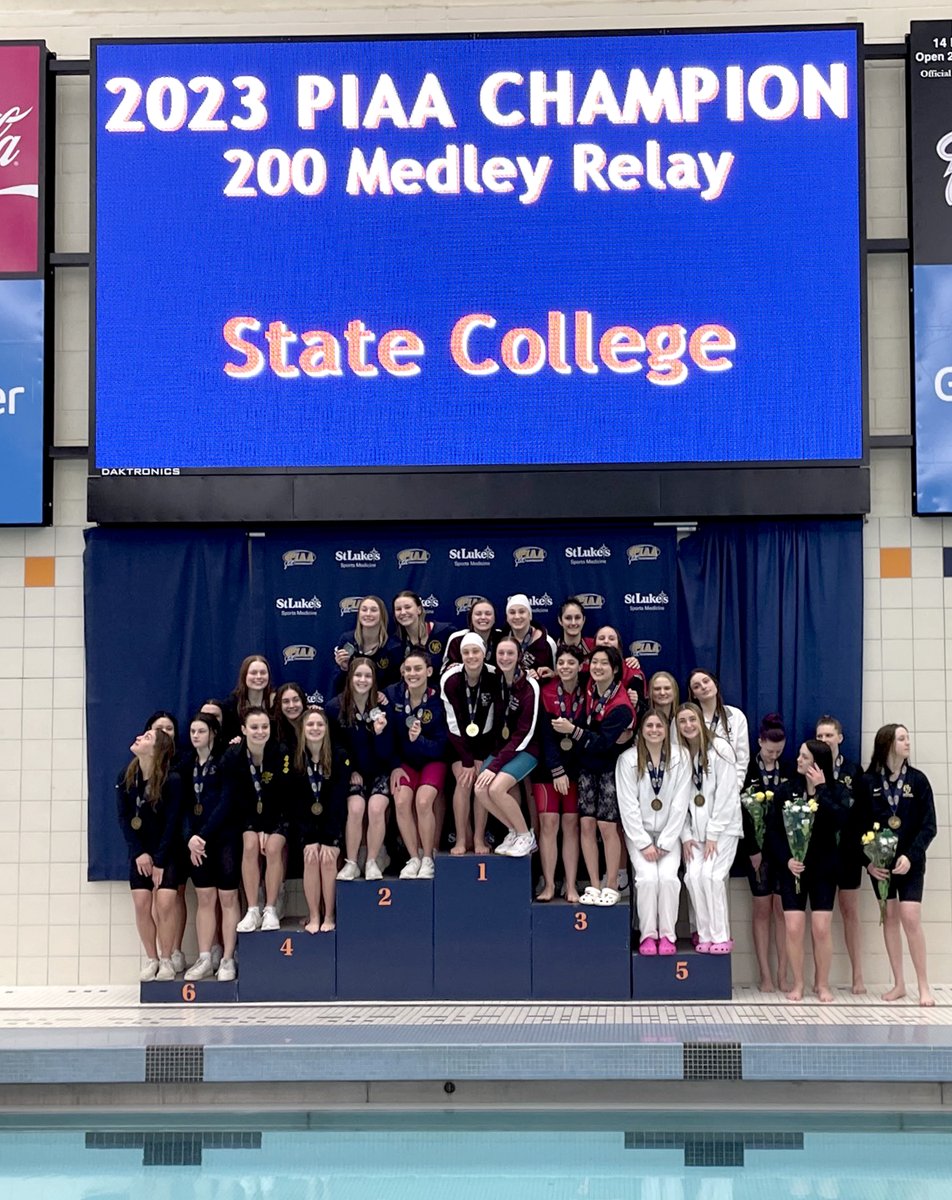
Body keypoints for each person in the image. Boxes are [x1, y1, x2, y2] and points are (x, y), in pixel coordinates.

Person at [854, 723, 937, 1007]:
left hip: (910, 862)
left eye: (907, 738)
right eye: (901, 738)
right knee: (889, 917)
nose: (907, 742)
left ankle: (924, 985)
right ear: (887, 744)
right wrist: (868, 863)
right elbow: (857, 827)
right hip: (881, 864)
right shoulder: (868, 783)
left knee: (910, 917)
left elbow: (929, 826)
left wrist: (911, 856)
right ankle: (899, 984)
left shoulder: (919, 780)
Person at [767, 738, 851, 1003]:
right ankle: (798, 983)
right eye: (800, 756)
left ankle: (822, 983)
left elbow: (842, 821)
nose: (798, 760)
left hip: (824, 868)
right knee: (793, 927)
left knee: (821, 928)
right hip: (793, 868)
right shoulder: (786, 790)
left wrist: (822, 789)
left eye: (804, 757)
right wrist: (786, 860)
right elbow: (773, 832)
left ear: (817, 763)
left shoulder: (836, 791)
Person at [555, 645, 634, 905]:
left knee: (607, 826)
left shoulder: (621, 705)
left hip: (610, 768)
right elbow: (566, 673)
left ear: (614, 670)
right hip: (587, 768)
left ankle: (612, 883)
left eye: (604, 664)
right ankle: (594, 883)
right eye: (595, 662)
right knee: (586, 824)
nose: (598, 667)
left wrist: (574, 730)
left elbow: (603, 743)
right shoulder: (590, 687)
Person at [616, 709, 691, 953]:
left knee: (668, 879)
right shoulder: (628, 760)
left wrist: (667, 841)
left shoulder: (681, 757)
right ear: (641, 730)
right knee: (647, 879)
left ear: (666, 730)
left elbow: (681, 803)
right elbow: (628, 805)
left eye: (659, 726)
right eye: (649, 726)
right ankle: (648, 935)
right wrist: (643, 843)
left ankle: (667, 936)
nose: (654, 730)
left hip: (670, 835)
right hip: (640, 836)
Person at [117, 726, 184, 981]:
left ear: (158, 750)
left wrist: (159, 859)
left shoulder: (172, 779)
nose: (138, 738)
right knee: (142, 904)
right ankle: (151, 958)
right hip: (140, 853)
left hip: (166, 851)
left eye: (146, 738)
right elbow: (124, 819)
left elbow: (172, 822)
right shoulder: (126, 776)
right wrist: (139, 853)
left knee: (165, 903)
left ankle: (166, 959)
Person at [676, 701, 742, 953]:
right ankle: (704, 935)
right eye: (682, 721)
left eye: (692, 720)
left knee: (713, 878)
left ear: (700, 722)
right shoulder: (681, 755)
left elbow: (727, 794)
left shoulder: (720, 748)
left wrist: (713, 832)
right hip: (695, 832)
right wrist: (685, 835)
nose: (688, 725)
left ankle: (721, 936)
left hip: (723, 829)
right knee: (693, 878)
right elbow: (678, 800)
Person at [180, 713, 240, 982]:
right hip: (196, 843)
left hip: (223, 838)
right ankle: (205, 957)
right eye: (192, 731)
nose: (196, 736)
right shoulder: (185, 764)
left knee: (228, 899)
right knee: (205, 899)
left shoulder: (225, 761)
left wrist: (202, 835)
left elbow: (227, 802)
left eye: (201, 731)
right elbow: (180, 807)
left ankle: (228, 958)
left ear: (213, 733)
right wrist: (190, 837)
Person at [222, 707, 292, 932]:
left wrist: (267, 827)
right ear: (243, 729)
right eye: (254, 727)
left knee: (273, 848)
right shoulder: (233, 756)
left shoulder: (281, 751)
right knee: (250, 844)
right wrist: (258, 826)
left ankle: (270, 908)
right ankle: (253, 909)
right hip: (248, 814)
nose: (260, 731)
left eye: (265, 727)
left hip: (279, 814)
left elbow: (283, 794)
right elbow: (236, 796)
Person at [325, 656, 392, 881]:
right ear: (350, 677)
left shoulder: (383, 706)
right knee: (355, 809)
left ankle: (372, 861)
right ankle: (352, 862)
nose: (363, 680)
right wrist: (350, 769)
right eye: (358, 675)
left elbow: (386, 752)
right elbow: (333, 746)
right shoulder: (335, 707)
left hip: (379, 771)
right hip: (351, 773)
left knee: (375, 808)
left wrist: (381, 734)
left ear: (374, 680)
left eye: (368, 676)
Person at [741, 713, 794, 993]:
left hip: (783, 851)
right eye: (769, 750)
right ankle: (765, 974)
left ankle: (782, 972)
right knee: (762, 910)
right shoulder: (747, 770)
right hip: (756, 852)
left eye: (779, 751)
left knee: (782, 911)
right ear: (759, 742)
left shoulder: (788, 770)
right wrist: (752, 848)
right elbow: (740, 811)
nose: (774, 755)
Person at [385, 649, 448, 879]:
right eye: (408, 669)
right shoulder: (392, 696)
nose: (412, 673)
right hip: (405, 763)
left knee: (423, 801)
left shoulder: (438, 700)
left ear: (429, 671)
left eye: (418, 669)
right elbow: (388, 737)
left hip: (433, 761)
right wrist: (394, 765)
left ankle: (429, 857)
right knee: (401, 800)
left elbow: (442, 746)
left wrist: (419, 740)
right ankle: (414, 857)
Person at [475, 636, 540, 858]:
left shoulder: (530, 685)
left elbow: (526, 732)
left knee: (495, 788)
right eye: (501, 653)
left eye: (510, 653)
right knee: (479, 789)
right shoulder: (497, 680)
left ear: (519, 656)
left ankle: (526, 835)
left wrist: (495, 766)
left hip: (527, 749)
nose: (505, 658)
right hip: (504, 749)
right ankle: (513, 830)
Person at [815, 714, 866, 994]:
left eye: (828, 736)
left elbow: (857, 813)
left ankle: (858, 975)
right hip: (821, 855)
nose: (824, 740)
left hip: (847, 852)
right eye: (820, 736)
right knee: (819, 918)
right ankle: (819, 978)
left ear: (840, 738)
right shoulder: (808, 768)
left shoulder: (853, 772)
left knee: (850, 912)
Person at [534, 645, 585, 902]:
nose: (566, 667)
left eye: (571, 663)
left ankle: (572, 884)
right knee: (549, 824)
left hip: (577, 768)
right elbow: (545, 737)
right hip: (548, 769)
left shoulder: (588, 691)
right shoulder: (546, 692)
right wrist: (557, 770)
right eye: (561, 663)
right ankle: (550, 884)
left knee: (571, 825)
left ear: (579, 666)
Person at [441, 633, 498, 854]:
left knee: (480, 783)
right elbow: (452, 724)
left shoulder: (494, 675)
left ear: (484, 653)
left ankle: (479, 837)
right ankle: (461, 839)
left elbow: (492, 720)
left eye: (476, 652)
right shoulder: (451, 679)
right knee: (464, 781)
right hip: (457, 744)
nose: (471, 656)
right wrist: (467, 760)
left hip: (485, 743)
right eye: (466, 652)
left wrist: (479, 758)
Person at [293, 706, 348, 932]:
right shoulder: (295, 759)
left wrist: (328, 837)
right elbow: (296, 803)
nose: (315, 728)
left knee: (327, 858)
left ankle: (329, 915)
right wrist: (309, 838)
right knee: (310, 857)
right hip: (307, 828)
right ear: (302, 730)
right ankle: (314, 915)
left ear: (326, 728)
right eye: (310, 724)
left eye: (319, 724)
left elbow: (338, 800)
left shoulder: (339, 756)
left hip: (332, 827)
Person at [686, 668, 750, 786]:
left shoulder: (736, 716)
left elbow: (742, 758)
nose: (703, 687)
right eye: (696, 686)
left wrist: (735, 788)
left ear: (715, 683)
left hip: (728, 788)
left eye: (706, 681)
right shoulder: (686, 720)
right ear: (693, 695)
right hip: (696, 789)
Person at [333, 596, 400, 691]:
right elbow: (337, 685)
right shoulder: (347, 640)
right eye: (364, 610)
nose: (368, 614)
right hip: (351, 698)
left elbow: (396, 683)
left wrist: (385, 694)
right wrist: (343, 668)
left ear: (382, 615)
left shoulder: (393, 646)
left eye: (373, 610)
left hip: (379, 701)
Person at [392, 590, 455, 674]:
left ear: (419, 610)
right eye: (398, 609)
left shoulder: (445, 632)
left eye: (407, 607)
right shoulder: (397, 644)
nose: (403, 612)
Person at [593, 626, 647, 718]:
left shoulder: (632, 671)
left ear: (618, 644)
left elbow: (643, 709)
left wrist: (636, 704)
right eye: (601, 638)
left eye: (611, 638)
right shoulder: (591, 670)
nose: (606, 641)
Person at [222, 655, 274, 741]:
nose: (258, 676)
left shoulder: (276, 702)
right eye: (253, 673)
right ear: (244, 676)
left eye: (263, 672)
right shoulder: (231, 705)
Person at [504, 594, 556, 678]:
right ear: (507, 618)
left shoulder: (547, 642)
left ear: (530, 615)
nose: (517, 616)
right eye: (512, 612)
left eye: (522, 612)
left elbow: (555, 675)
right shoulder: (501, 639)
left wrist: (544, 676)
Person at [442, 599, 502, 670]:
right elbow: (445, 671)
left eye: (488, 614)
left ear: (494, 618)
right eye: (478, 614)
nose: (483, 617)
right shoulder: (457, 639)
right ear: (471, 617)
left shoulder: (502, 638)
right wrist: (450, 669)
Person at [555, 597, 594, 662]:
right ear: (560, 620)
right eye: (568, 618)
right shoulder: (553, 648)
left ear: (583, 620)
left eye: (577, 617)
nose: (573, 623)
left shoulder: (593, 647)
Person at [271, 682, 307, 750]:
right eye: (286, 701)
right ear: (279, 705)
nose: (291, 705)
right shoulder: (274, 732)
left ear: (303, 701)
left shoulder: (313, 725)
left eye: (296, 700)